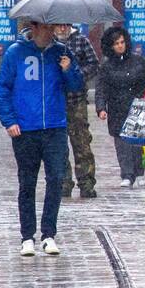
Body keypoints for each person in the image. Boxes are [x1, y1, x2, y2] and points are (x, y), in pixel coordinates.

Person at [0, 19, 83, 257]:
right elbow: (3, 87)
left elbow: (76, 86)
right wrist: (9, 120)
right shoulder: (16, 52)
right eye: (46, 27)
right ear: (34, 29)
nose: (51, 32)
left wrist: (69, 69)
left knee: (56, 179)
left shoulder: (62, 52)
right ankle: (27, 236)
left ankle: (49, 234)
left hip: (55, 126)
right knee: (27, 182)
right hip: (26, 128)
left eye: (53, 27)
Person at [95, 25, 145, 188]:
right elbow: (101, 88)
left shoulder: (138, 62)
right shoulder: (106, 67)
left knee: (136, 141)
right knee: (121, 143)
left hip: (137, 107)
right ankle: (127, 174)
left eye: (122, 42)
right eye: (116, 43)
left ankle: (140, 172)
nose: (120, 45)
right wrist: (101, 108)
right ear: (110, 46)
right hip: (116, 107)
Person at [55, 24, 100, 200]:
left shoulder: (81, 41)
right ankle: (63, 182)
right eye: (59, 25)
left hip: (77, 100)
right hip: (56, 100)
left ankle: (87, 183)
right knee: (58, 145)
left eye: (65, 25)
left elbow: (93, 64)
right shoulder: (49, 44)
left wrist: (77, 73)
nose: (62, 28)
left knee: (81, 142)